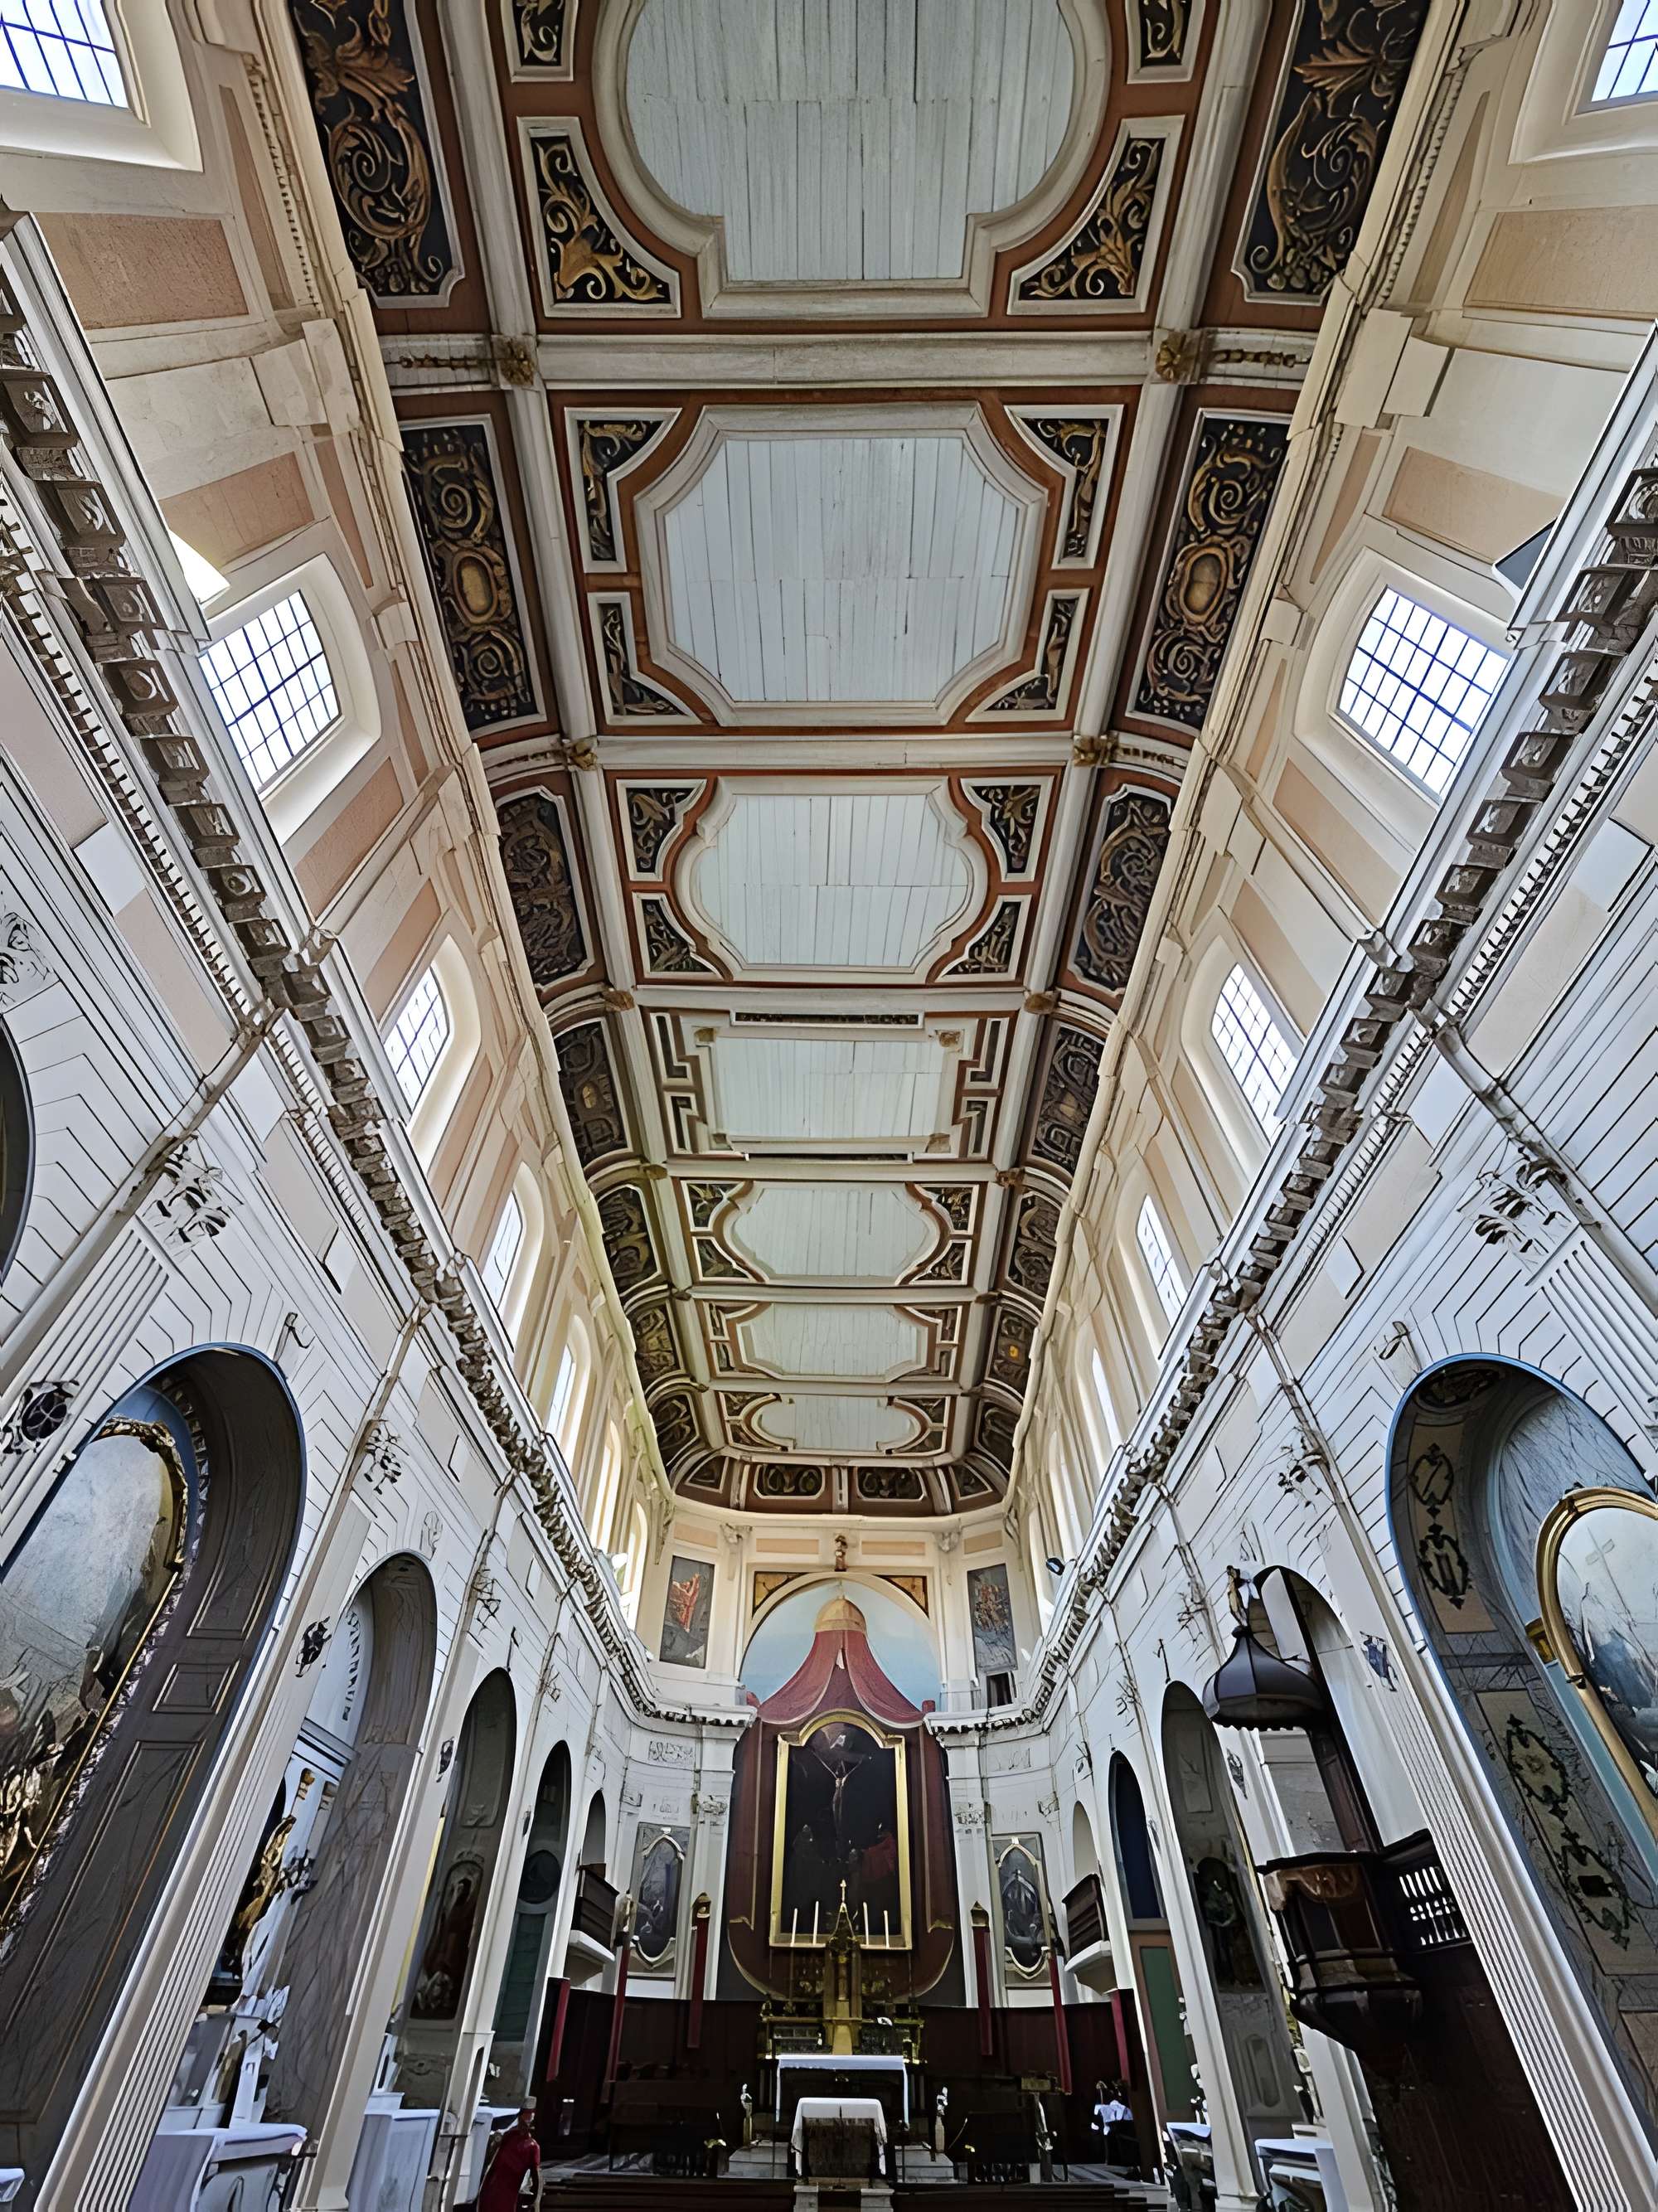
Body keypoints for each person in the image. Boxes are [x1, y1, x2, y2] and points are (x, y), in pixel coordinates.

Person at [476, 2103, 541, 2210]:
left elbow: (535, 2178)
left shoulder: (528, 2145)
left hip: (496, 2193)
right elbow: (535, 2180)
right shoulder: (511, 2138)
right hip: (497, 2193)